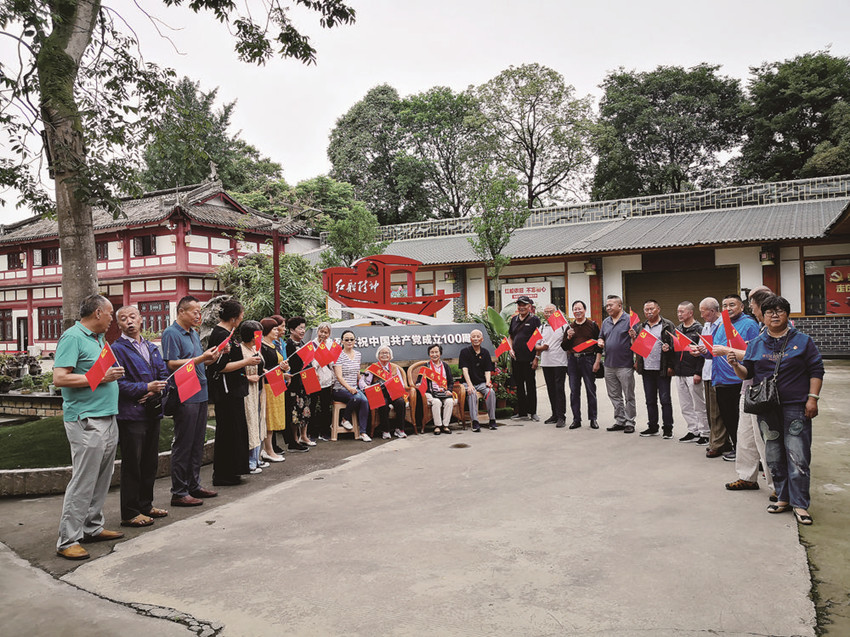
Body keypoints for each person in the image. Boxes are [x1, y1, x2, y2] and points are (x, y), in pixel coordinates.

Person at [728, 295, 824, 525]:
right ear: (763, 316)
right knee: (773, 455)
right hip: (767, 408)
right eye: (769, 312)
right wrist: (735, 365)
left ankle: (800, 504)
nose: (774, 315)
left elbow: (816, 370)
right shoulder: (757, 343)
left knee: (798, 456)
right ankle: (783, 497)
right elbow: (748, 374)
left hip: (796, 406)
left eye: (779, 311)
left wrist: (812, 399)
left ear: (787, 315)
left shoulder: (803, 341)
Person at [54, 295, 126, 560]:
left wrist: (110, 376)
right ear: (97, 313)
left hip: (107, 415)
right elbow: (60, 378)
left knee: (102, 477)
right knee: (84, 480)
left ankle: (92, 526)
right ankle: (67, 540)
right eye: (110, 313)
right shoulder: (72, 337)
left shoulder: (99, 339)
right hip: (86, 419)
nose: (112, 318)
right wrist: (101, 377)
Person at [112, 305, 169, 528]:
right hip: (131, 415)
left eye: (132, 316)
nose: (129, 321)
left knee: (149, 462)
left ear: (141, 319)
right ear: (118, 324)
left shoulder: (151, 347)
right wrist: (145, 387)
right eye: (123, 318)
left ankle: (146, 505)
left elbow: (164, 375)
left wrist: (156, 390)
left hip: (152, 411)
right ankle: (130, 512)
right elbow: (117, 383)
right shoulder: (117, 349)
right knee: (132, 464)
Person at [161, 295, 220, 507]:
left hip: (201, 391)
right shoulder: (171, 333)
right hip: (185, 392)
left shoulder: (193, 333)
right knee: (184, 442)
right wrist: (201, 358)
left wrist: (210, 358)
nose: (198, 316)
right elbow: (172, 363)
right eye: (194, 312)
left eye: (199, 312)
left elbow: (198, 361)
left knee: (197, 442)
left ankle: (194, 484)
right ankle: (179, 491)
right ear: (181, 312)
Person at [724, 287, 775, 496]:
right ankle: (747, 477)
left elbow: (762, 356)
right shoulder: (762, 328)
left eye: (752, 306)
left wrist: (730, 351)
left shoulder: (776, 329)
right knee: (745, 436)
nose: (752, 310)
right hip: (749, 388)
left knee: (764, 439)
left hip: (765, 391)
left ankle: (776, 485)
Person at [206, 299, 250, 486]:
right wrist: (246, 362)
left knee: (236, 430)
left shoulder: (228, 333)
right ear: (233, 318)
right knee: (228, 431)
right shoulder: (220, 335)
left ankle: (233, 471)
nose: (242, 318)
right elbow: (220, 367)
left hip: (234, 389)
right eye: (241, 315)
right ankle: (223, 474)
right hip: (226, 390)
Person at [710, 294, 759, 462]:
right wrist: (704, 351)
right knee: (728, 418)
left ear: (742, 307)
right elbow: (715, 349)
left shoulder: (750, 324)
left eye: (732, 305)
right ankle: (737, 448)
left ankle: (746, 453)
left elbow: (753, 352)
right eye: (725, 305)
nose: (728, 308)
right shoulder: (722, 324)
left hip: (738, 379)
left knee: (741, 421)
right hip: (720, 379)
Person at [633, 300, 676, 438]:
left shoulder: (667, 325)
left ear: (658, 309)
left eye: (652, 309)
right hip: (647, 369)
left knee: (665, 400)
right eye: (646, 310)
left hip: (662, 368)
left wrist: (670, 361)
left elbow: (675, 345)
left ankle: (668, 428)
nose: (649, 312)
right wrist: (637, 361)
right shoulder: (642, 327)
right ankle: (652, 427)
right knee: (650, 400)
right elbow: (639, 347)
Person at [598, 295, 636, 434]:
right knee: (614, 395)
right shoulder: (606, 322)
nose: (608, 307)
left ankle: (630, 422)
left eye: (611, 305)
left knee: (628, 395)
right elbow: (601, 336)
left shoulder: (630, 320)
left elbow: (637, 341)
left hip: (625, 364)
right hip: (609, 364)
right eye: (607, 305)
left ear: (620, 306)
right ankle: (620, 420)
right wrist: (600, 341)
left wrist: (634, 336)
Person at [671, 302, 708, 445]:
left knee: (699, 405)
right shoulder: (678, 329)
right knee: (685, 405)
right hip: (680, 372)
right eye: (678, 312)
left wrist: (698, 372)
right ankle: (693, 430)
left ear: (691, 313)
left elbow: (703, 353)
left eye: (682, 311)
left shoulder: (699, 329)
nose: (679, 314)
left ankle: (705, 432)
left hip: (693, 373)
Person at [693, 297, 726, 455]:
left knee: (717, 411)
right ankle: (716, 440)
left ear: (712, 311)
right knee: (710, 410)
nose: (701, 316)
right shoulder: (707, 325)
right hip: (707, 371)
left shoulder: (723, 325)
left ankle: (718, 443)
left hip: (719, 371)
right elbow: (704, 346)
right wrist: (698, 350)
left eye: (703, 312)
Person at [561, 300, 600, 430]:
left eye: (580, 309)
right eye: (575, 309)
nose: (577, 311)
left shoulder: (592, 325)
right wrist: (568, 337)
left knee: (590, 390)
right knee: (574, 391)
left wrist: (597, 362)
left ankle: (593, 419)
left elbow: (599, 345)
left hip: (588, 359)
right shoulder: (570, 327)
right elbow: (564, 347)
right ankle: (576, 419)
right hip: (573, 361)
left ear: (585, 310)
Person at [507, 295, 542, 422]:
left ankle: (533, 412)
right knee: (519, 386)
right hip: (516, 359)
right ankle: (522, 412)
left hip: (529, 358)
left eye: (524, 305)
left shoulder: (534, 320)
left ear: (529, 306)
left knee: (530, 385)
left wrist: (536, 357)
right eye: (519, 305)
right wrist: (510, 349)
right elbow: (510, 337)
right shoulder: (514, 319)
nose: (521, 307)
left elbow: (539, 339)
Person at [364, 345, 409, 439]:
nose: (384, 355)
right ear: (378, 355)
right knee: (383, 403)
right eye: (382, 353)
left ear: (390, 355)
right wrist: (367, 387)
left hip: (393, 393)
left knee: (400, 402)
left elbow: (400, 382)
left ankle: (400, 429)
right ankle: (385, 430)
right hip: (380, 393)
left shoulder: (394, 367)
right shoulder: (373, 368)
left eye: (386, 353)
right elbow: (365, 382)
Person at [238, 320, 267, 473]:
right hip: (247, 391)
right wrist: (248, 377)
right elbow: (236, 372)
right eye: (258, 334)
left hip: (258, 390)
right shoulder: (241, 350)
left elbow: (261, 366)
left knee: (258, 421)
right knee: (250, 423)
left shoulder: (255, 348)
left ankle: (257, 457)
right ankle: (249, 461)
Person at [333, 329, 371, 441]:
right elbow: (339, 377)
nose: (349, 341)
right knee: (357, 398)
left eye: (351, 339)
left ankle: (363, 432)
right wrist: (349, 388)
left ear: (355, 341)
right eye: (346, 340)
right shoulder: (338, 355)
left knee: (365, 401)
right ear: (342, 341)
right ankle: (345, 419)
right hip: (339, 389)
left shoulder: (358, 354)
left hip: (354, 388)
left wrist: (364, 384)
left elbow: (357, 374)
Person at [260, 318, 287, 462]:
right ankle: (268, 450)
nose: (278, 331)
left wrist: (284, 368)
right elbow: (262, 367)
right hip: (268, 385)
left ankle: (269, 449)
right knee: (269, 418)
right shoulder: (261, 347)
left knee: (275, 417)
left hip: (277, 381)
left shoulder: (273, 345)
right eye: (274, 329)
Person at [459, 329, 497, 432]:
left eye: (478, 337)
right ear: (470, 339)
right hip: (468, 383)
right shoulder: (464, 352)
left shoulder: (485, 352)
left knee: (491, 392)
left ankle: (492, 419)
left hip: (481, 383)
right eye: (473, 337)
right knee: (472, 393)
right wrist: (470, 385)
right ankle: (475, 421)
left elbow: (488, 370)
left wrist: (488, 382)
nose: (476, 339)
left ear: (482, 339)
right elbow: (464, 370)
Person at [537, 304, 568, 427]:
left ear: (556, 313)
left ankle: (561, 416)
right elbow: (536, 345)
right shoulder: (542, 327)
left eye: (551, 311)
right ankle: (554, 414)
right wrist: (541, 348)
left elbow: (569, 342)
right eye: (546, 312)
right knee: (550, 389)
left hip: (560, 362)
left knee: (559, 389)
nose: (548, 314)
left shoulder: (563, 326)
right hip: (546, 363)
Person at [284, 316, 311, 452]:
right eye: (300, 328)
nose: (302, 331)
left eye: (303, 328)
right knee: (294, 412)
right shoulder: (288, 345)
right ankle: (294, 440)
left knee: (305, 410)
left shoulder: (303, 344)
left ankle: (303, 436)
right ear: (292, 330)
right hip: (294, 383)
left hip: (305, 382)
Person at [309, 322, 336, 443]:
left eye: (326, 332)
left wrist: (324, 354)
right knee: (312, 405)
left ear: (329, 334)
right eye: (321, 331)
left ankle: (325, 431)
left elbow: (333, 361)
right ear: (317, 331)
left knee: (325, 406)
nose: (323, 334)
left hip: (327, 378)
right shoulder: (312, 344)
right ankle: (312, 432)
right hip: (314, 377)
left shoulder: (332, 344)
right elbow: (310, 361)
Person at [420, 343, 455, 435]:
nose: (434, 354)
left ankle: (445, 425)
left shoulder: (445, 366)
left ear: (440, 353)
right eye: (432, 352)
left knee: (449, 402)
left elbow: (451, 381)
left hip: (444, 392)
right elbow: (419, 381)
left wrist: (449, 390)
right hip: (431, 393)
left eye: (436, 352)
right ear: (429, 354)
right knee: (436, 402)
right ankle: (438, 426)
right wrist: (419, 384)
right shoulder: (426, 366)